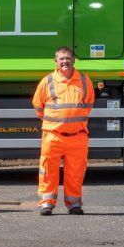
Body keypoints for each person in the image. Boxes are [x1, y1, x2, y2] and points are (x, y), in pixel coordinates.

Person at [31, 46, 95, 216]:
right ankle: (46, 203)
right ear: (56, 62)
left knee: (75, 172)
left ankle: (74, 204)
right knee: (48, 171)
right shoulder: (47, 81)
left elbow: (88, 105)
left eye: (68, 58)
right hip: (53, 136)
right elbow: (38, 107)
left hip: (77, 137)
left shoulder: (84, 80)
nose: (65, 61)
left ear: (74, 60)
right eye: (61, 59)